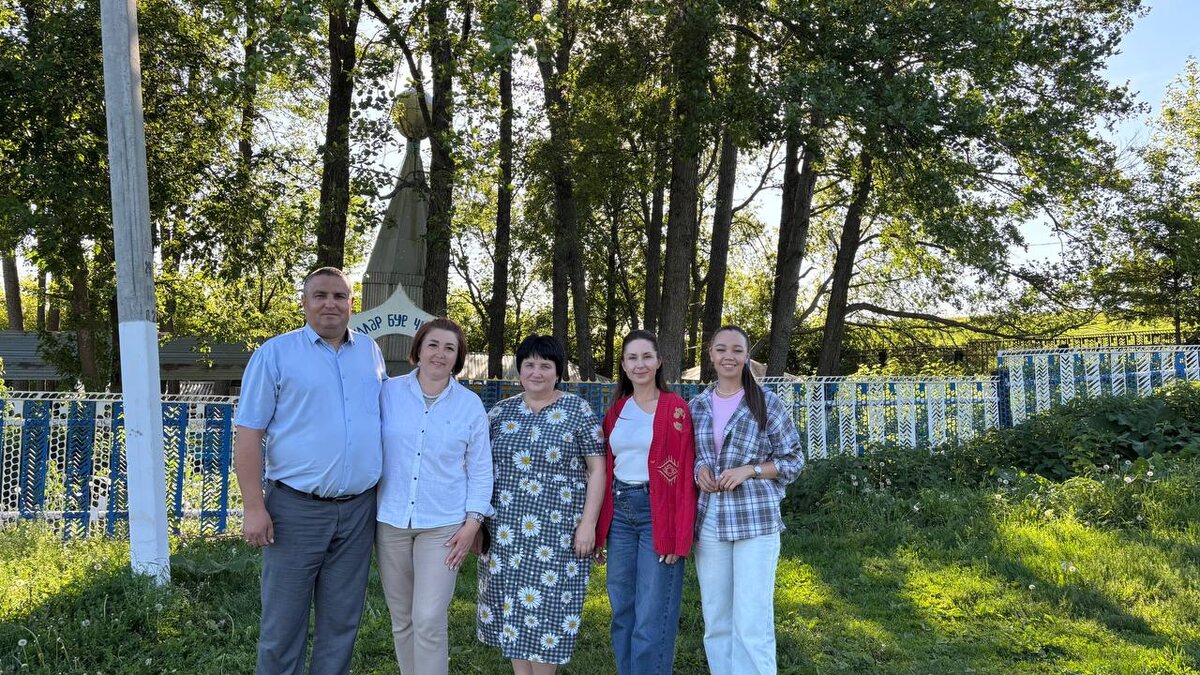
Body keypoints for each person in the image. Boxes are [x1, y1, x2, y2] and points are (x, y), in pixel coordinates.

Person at [233, 266, 386, 675]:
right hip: (295, 511)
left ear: (351, 303)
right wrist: (253, 507)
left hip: (358, 511)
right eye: (320, 295)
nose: (330, 304)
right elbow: (248, 435)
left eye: (339, 296)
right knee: (283, 624)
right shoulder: (275, 354)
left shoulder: (370, 352)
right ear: (304, 302)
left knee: (342, 623)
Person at [475, 334, 606, 674]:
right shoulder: (500, 413)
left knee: (548, 617)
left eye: (545, 365)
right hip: (505, 533)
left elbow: (598, 470)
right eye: (529, 364)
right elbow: (478, 469)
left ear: (558, 372)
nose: (537, 372)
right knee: (513, 613)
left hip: (558, 535)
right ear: (519, 370)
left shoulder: (578, 410)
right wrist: (476, 525)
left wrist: (588, 524)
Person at [376, 318, 493, 675]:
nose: (440, 354)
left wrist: (473, 524)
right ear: (418, 349)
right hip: (391, 520)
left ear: (458, 357)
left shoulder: (470, 405)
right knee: (402, 619)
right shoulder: (388, 393)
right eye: (433, 345)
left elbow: (481, 470)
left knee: (427, 617)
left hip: (444, 526)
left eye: (449, 348)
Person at [689, 325, 805, 675]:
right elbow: (692, 456)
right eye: (721, 349)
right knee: (717, 618)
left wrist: (750, 470)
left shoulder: (766, 402)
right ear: (711, 354)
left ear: (746, 356)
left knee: (751, 621)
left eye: (737, 350)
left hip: (755, 520)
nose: (729, 356)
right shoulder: (697, 406)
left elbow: (794, 460)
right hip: (710, 520)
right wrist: (699, 470)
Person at [595, 330, 697, 675]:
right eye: (632, 358)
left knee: (652, 615)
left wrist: (678, 536)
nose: (639, 364)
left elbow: (684, 476)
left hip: (658, 514)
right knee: (623, 611)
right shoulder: (616, 412)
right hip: (621, 516)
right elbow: (606, 470)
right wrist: (600, 530)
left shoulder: (676, 410)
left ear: (659, 362)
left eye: (646, 357)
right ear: (623, 366)